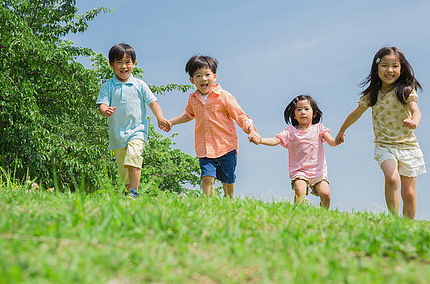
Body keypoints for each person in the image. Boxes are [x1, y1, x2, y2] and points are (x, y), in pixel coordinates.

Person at [335, 46, 425, 219]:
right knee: (392, 179)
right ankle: (393, 221)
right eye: (384, 65)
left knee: (409, 194)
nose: (389, 70)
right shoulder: (372, 95)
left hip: (408, 146)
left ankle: (408, 226)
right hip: (385, 146)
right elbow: (355, 114)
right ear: (376, 68)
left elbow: (417, 111)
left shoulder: (405, 91)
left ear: (401, 68)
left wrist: (414, 122)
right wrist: (342, 131)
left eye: (395, 66)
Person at [167, 55, 261, 197]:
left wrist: (252, 131)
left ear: (214, 77)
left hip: (226, 147)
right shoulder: (193, 99)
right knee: (207, 178)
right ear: (192, 80)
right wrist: (171, 122)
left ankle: (228, 200)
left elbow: (240, 116)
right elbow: (189, 115)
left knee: (227, 179)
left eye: (207, 75)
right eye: (198, 76)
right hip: (204, 148)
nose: (203, 79)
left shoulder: (224, 96)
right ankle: (208, 205)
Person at [96, 43, 171, 200]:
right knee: (124, 170)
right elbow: (101, 104)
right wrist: (105, 110)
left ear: (134, 63)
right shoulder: (108, 86)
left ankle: (134, 193)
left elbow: (152, 102)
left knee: (134, 156)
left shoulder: (140, 84)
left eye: (128, 62)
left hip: (137, 130)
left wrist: (160, 117)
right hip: (117, 135)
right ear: (111, 64)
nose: (124, 66)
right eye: (119, 62)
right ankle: (129, 195)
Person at [252, 95, 340, 207]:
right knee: (300, 190)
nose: (303, 112)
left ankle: (323, 216)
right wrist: (260, 140)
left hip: (318, 171)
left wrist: (338, 139)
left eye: (306, 109)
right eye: (299, 109)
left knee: (326, 193)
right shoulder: (290, 132)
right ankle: (298, 214)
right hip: (299, 172)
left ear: (314, 114)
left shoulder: (319, 128)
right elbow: (275, 140)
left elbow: (332, 141)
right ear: (294, 115)